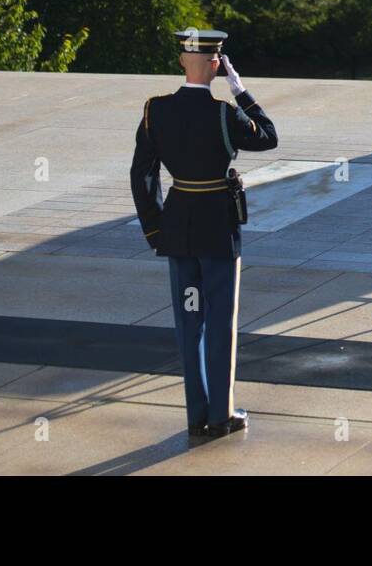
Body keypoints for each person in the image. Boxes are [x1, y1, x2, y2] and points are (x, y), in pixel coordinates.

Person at [129, 29, 278, 438]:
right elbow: (268, 136)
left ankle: (196, 414)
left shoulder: (154, 110)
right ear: (216, 65)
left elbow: (142, 173)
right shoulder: (224, 114)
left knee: (188, 322)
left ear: (181, 61)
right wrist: (241, 92)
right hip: (217, 228)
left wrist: (155, 227)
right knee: (219, 323)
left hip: (176, 228)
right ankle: (221, 414)